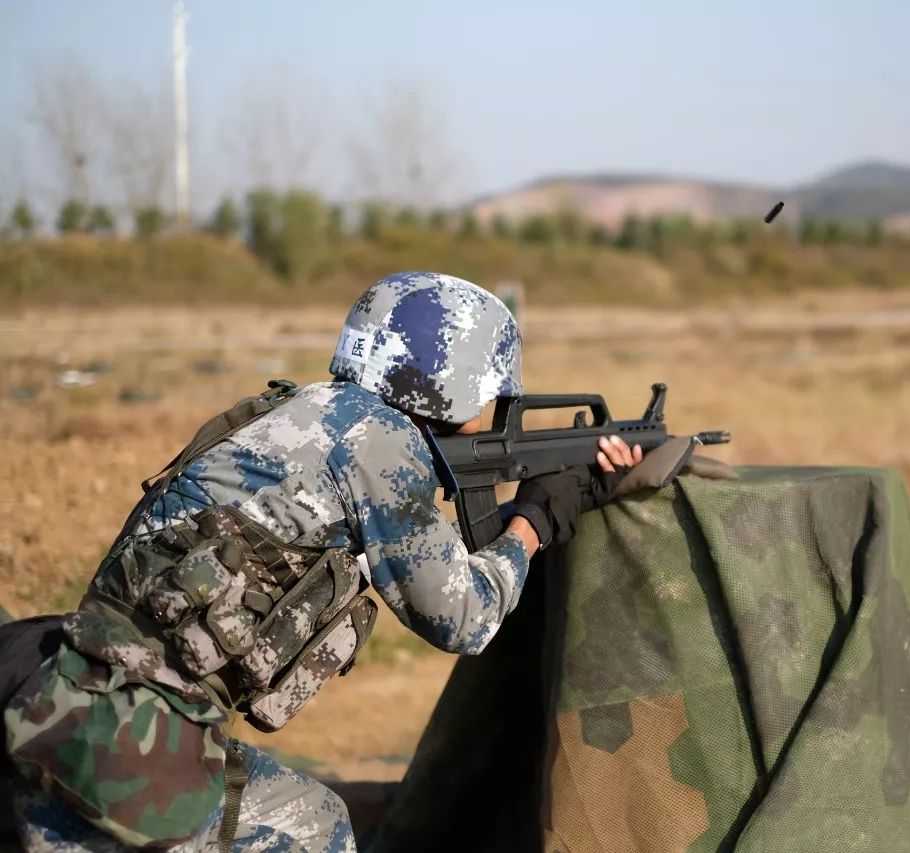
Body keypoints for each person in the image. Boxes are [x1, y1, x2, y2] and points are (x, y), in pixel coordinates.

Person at [2, 272, 642, 852]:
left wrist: (533, 501)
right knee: (313, 831)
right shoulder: (380, 442)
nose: (493, 414)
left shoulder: (311, 413)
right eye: (492, 396)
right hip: (114, 745)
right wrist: (535, 521)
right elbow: (465, 618)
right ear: (457, 382)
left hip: (74, 691)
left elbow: (424, 557)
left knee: (313, 816)